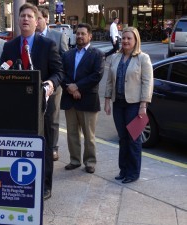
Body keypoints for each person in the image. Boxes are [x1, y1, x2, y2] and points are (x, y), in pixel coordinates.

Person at [0, 3, 64, 200]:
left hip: (42, 106)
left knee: (44, 147)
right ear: (18, 21)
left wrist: (50, 84)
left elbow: (59, 72)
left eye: (29, 16)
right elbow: (1, 71)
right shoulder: (10, 46)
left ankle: (45, 186)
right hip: (17, 107)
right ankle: (20, 181)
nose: (25, 19)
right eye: (22, 16)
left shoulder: (48, 45)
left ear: (37, 22)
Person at [104, 27, 153, 183]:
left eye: (128, 38)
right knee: (123, 138)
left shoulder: (143, 58)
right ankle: (123, 170)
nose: (125, 41)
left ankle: (133, 173)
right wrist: (107, 100)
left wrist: (143, 105)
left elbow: (147, 83)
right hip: (118, 104)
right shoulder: (116, 57)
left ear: (135, 40)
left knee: (133, 139)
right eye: (123, 38)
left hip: (134, 104)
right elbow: (110, 81)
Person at [61, 23, 104, 174]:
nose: (79, 36)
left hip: (88, 100)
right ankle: (74, 160)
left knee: (89, 135)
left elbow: (96, 75)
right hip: (70, 99)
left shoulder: (97, 54)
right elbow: (62, 74)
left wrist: (77, 87)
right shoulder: (67, 54)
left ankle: (90, 162)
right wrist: (70, 88)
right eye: (77, 33)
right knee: (72, 133)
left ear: (89, 36)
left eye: (83, 34)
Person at [36, 7, 69, 162]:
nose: (35, 22)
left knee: (52, 118)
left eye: (38, 18)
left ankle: (53, 148)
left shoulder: (57, 36)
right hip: (34, 86)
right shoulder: (31, 38)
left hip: (53, 85)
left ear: (46, 19)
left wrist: (54, 82)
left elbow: (65, 59)